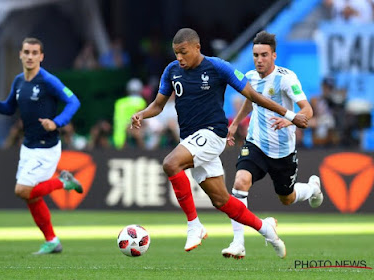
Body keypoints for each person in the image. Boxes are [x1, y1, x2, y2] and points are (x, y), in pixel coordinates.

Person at [131, 28, 309, 258]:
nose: (179, 58)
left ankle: (194, 225)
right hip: (191, 140)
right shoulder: (172, 71)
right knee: (222, 200)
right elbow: (158, 105)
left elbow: (253, 96)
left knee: (170, 164)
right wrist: (142, 114)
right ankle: (266, 229)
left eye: (183, 52)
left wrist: (291, 115)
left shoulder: (218, 67)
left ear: (197, 47)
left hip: (213, 135)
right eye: (176, 53)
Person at [222, 31, 324, 259]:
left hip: (283, 151)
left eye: (264, 55)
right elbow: (251, 100)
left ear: (274, 56)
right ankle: (238, 243)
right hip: (256, 143)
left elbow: (307, 110)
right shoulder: (250, 76)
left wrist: (289, 118)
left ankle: (312, 188)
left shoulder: (286, 79)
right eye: (256, 55)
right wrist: (236, 123)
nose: (259, 59)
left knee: (286, 198)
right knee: (240, 181)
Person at [0, 37, 82, 254]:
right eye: (26, 52)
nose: (30, 56)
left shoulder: (48, 81)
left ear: (41, 56)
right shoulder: (19, 81)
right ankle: (53, 241)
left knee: (22, 190)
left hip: (46, 148)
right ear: (20, 54)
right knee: (31, 196)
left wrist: (56, 123)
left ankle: (63, 181)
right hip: (28, 147)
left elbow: (74, 101)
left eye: (34, 52)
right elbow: (9, 108)